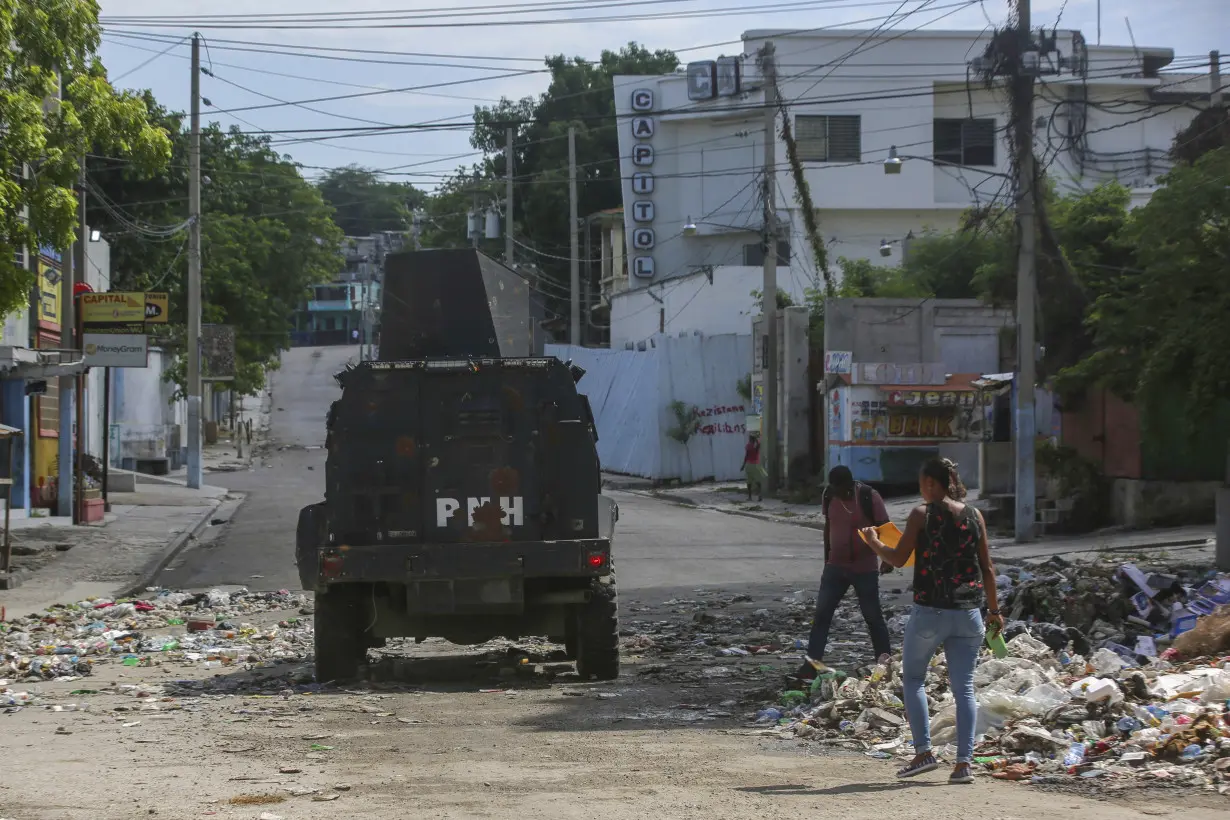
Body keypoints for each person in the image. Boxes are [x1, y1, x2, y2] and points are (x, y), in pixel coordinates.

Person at [860, 457, 1003, 785]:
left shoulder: (921, 515)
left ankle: (924, 753)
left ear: (930, 484)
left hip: (930, 613)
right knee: (964, 688)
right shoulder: (974, 515)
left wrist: (873, 541)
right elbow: (988, 568)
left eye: (921, 482)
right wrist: (994, 612)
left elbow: (897, 559)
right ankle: (964, 764)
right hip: (969, 614)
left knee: (913, 680)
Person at [793, 465, 892, 681]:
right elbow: (829, 526)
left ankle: (885, 665)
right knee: (821, 616)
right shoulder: (829, 496)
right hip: (835, 567)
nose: (838, 493)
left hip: (864, 567)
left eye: (841, 489)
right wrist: (827, 557)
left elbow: (885, 527)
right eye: (834, 489)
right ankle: (812, 665)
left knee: (873, 617)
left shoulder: (868, 496)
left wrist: (886, 557)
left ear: (849, 485)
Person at [740, 434, 765, 501]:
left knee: (749, 482)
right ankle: (760, 495)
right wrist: (757, 439)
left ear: (750, 439)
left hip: (749, 465)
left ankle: (750, 497)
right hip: (756, 465)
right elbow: (759, 445)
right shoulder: (757, 445)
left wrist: (743, 466)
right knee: (758, 481)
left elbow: (746, 456)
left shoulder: (748, 446)